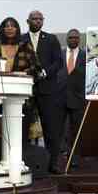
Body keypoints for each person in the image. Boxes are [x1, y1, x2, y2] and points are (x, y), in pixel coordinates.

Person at [22, 10, 63, 174]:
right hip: (26, 90)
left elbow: (58, 62)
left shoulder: (51, 39)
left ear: (43, 21)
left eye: (40, 19)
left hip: (47, 90)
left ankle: (53, 164)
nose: (37, 21)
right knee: (23, 127)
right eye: (34, 19)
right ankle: (22, 162)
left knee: (51, 129)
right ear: (28, 21)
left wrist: (45, 72)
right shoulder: (21, 39)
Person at [57, 29, 86, 168]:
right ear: (67, 39)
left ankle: (74, 157)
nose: (73, 40)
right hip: (60, 97)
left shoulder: (86, 56)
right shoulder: (59, 54)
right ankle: (63, 156)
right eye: (70, 37)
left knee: (76, 130)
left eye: (76, 37)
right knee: (61, 130)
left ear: (79, 39)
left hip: (78, 98)